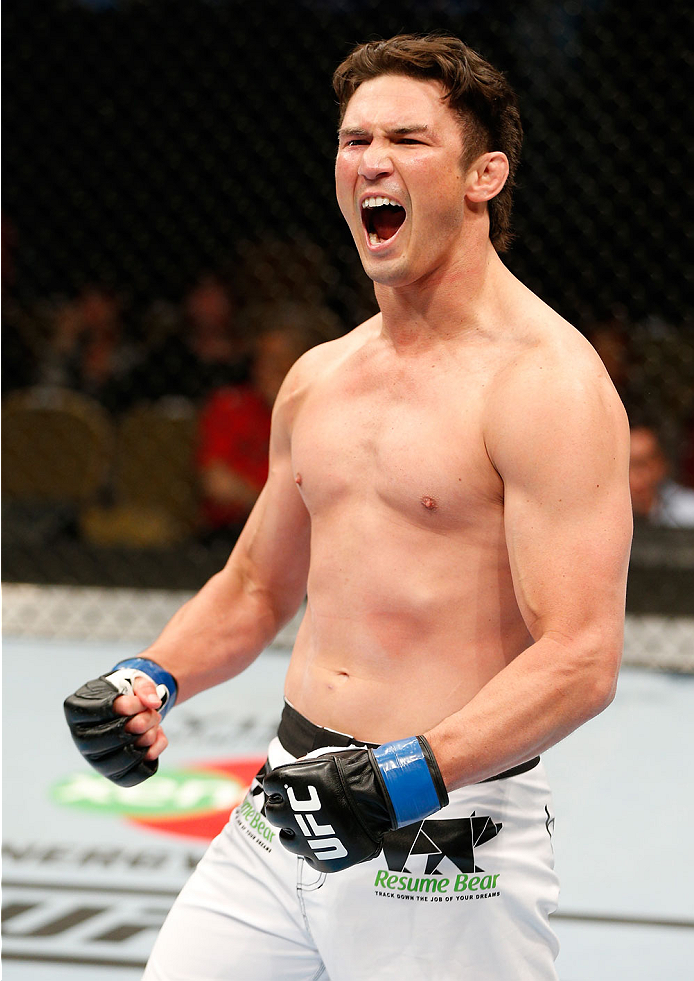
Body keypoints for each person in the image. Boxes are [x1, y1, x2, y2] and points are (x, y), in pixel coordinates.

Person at [63, 34, 633, 981]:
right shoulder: (319, 377)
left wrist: (404, 776)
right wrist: (148, 680)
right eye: (354, 138)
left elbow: (581, 656)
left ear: (484, 174)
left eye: (407, 139)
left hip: (442, 833)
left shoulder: (548, 387)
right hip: (286, 801)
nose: (372, 159)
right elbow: (253, 585)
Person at [196, 319, 317, 542]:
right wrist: (275, 506)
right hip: (235, 527)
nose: (275, 369)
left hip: (304, 529)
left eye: (284, 359)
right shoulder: (230, 405)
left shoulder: (319, 409)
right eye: (268, 360)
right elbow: (217, 484)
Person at [629, 422, 694, 527]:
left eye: (640, 465)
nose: (631, 477)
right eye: (625, 467)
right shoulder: (600, 517)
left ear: (661, 465)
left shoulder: (689, 513)